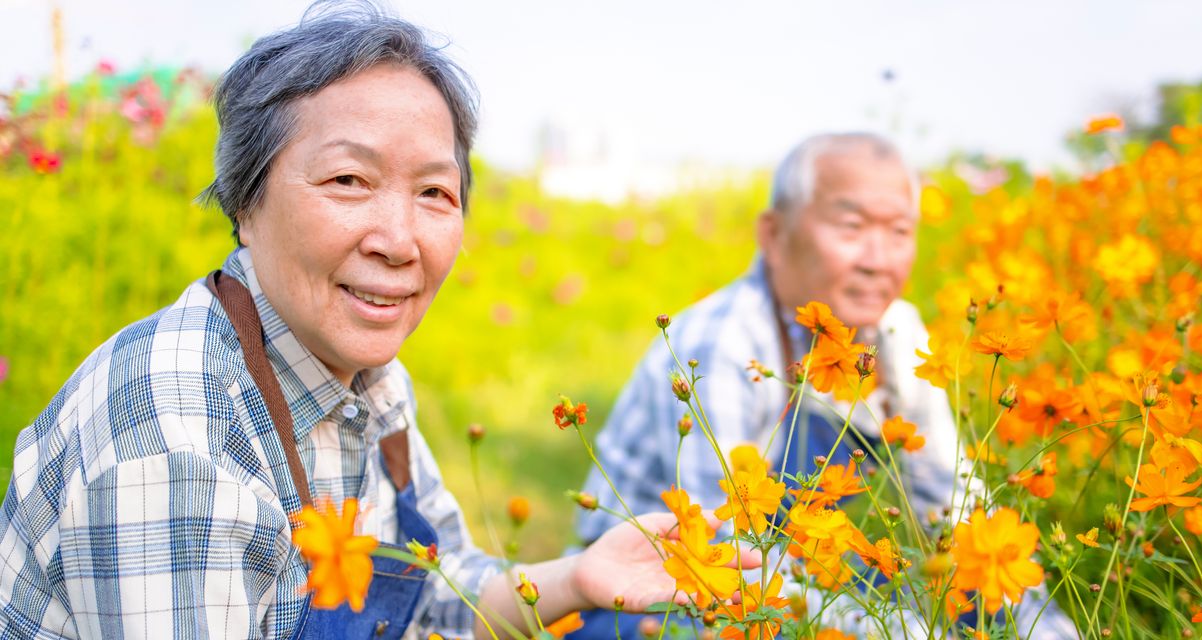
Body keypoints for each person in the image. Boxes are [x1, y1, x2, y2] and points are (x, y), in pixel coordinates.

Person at [0, 4, 687, 638]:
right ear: (245, 201)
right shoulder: (177, 438)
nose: (398, 239)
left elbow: (438, 596)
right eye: (348, 181)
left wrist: (577, 577)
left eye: (434, 192)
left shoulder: (371, 383)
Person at [573, 133, 1076, 638]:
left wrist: (1041, 622)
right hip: (658, 587)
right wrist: (896, 630)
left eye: (900, 231)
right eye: (852, 227)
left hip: (797, 566)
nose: (878, 260)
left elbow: (952, 506)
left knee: (967, 593)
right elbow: (723, 553)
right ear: (773, 235)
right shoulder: (721, 341)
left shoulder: (897, 331)